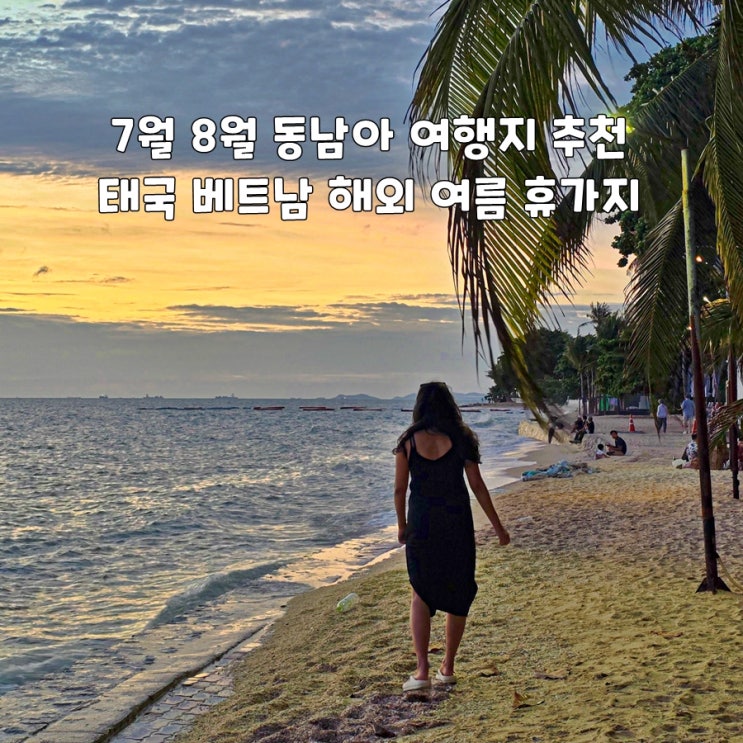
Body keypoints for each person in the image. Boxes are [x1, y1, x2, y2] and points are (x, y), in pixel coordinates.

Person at [394, 381, 510, 692]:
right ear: (450, 405)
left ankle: (422, 671)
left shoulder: (408, 442)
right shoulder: (461, 438)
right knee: (459, 590)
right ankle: (448, 666)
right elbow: (478, 486)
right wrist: (498, 527)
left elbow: (399, 489)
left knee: (420, 591)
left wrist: (402, 525)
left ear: (419, 406)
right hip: (456, 522)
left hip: (422, 523)